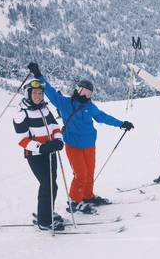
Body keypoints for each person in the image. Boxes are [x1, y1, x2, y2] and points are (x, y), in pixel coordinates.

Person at [27, 63, 134, 214]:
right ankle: (74, 201)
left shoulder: (90, 106)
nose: (83, 94)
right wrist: (38, 75)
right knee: (80, 174)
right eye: (81, 90)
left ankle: (88, 196)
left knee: (89, 172)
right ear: (76, 89)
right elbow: (50, 91)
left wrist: (121, 124)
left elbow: (103, 117)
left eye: (87, 93)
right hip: (73, 144)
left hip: (89, 144)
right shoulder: (65, 103)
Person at [13, 79, 65, 231]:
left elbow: (55, 126)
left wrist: (58, 141)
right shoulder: (21, 113)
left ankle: (47, 212)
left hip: (50, 151)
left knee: (52, 184)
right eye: (34, 93)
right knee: (47, 185)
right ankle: (44, 221)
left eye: (40, 93)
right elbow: (22, 140)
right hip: (35, 155)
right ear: (28, 94)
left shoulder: (45, 109)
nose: (38, 96)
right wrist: (40, 148)